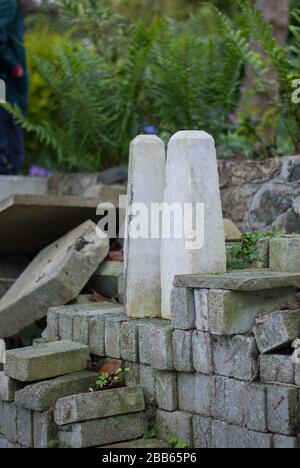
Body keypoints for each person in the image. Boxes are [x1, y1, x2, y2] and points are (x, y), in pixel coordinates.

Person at [0, 0, 36, 175]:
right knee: (8, 135)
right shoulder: (9, 3)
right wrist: (14, 67)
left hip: (9, 82)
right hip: (6, 82)